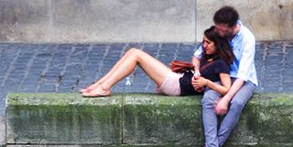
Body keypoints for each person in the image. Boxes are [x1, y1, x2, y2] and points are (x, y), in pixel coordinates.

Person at [190, 5, 258, 147]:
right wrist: (197, 71)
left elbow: (242, 75)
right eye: (217, 28)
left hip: (245, 80)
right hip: (223, 76)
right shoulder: (218, 31)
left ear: (232, 27)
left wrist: (226, 99)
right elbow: (197, 55)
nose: (218, 33)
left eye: (221, 30)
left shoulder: (248, 39)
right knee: (208, 99)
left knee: (237, 103)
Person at [80, 28, 235, 99]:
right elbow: (196, 58)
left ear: (218, 44)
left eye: (208, 43)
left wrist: (207, 82)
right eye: (203, 42)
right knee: (131, 52)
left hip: (177, 85)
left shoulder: (221, 64)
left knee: (136, 55)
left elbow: (227, 89)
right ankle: (100, 84)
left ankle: (105, 88)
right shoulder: (207, 55)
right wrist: (195, 68)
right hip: (178, 77)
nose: (204, 45)